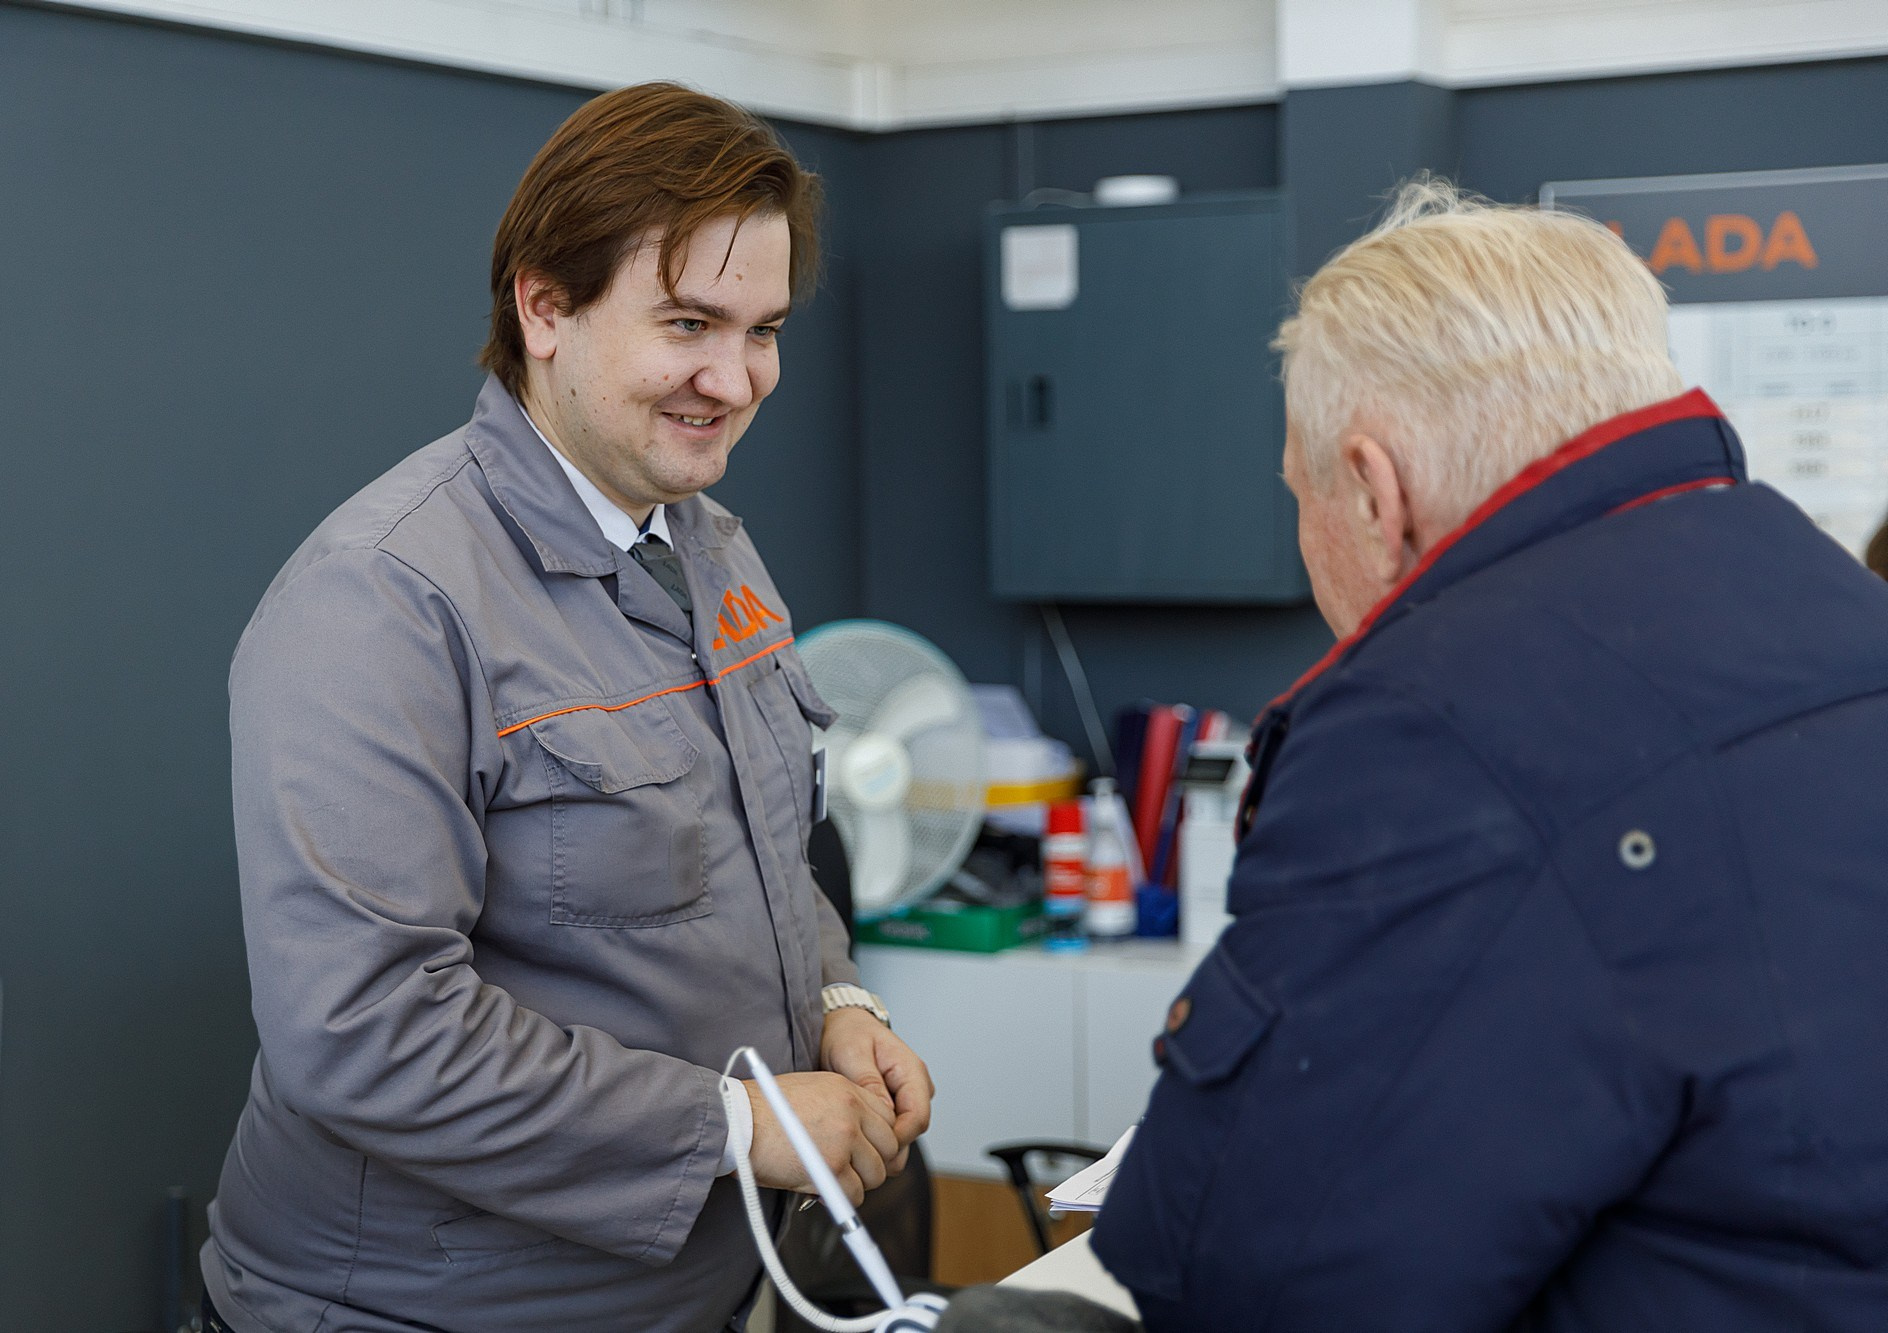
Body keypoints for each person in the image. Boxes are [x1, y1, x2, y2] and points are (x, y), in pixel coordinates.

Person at [1087, 178, 1888, 1330]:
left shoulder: (1430, 726)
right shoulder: (1843, 611)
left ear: (1372, 491)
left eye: (1298, 496)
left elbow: (1260, 1274)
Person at [198, 83, 931, 1333]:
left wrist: (836, 1002)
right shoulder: (383, 599)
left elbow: (758, 842)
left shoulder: (711, 547)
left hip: (681, 1294)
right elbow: (364, 1030)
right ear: (544, 306)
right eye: (689, 321)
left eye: (762, 330)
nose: (735, 376)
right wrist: (736, 1122)